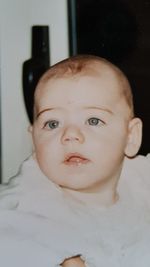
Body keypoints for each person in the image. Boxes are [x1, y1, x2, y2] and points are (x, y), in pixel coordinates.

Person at [0, 55, 150, 267]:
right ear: (34, 141)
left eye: (93, 120)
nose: (70, 135)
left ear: (131, 137)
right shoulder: (27, 201)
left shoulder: (140, 181)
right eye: (52, 124)